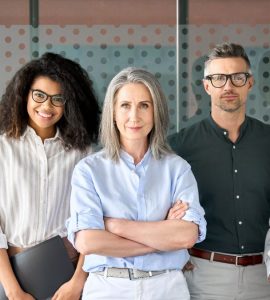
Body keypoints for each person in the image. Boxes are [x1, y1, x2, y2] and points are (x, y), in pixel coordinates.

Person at [66, 67, 206, 300]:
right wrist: (161, 237)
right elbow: (88, 241)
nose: (134, 116)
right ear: (112, 112)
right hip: (108, 288)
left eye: (144, 105)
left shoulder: (177, 169)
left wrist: (115, 226)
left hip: (166, 287)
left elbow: (186, 237)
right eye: (125, 105)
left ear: (156, 112)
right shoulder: (88, 170)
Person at [169, 42, 270, 300]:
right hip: (204, 275)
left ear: (250, 83)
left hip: (264, 276)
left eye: (237, 78)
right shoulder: (179, 146)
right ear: (206, 86)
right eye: (218, 78)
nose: (228, 86)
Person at [0, 52, 100, 299]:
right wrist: (13, 291)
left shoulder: (82, 151)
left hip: (66, 273)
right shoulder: (3, 147)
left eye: (58, 99)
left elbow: (93, 219)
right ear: (24, 93)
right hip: (9, 274)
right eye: (39, 95)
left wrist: (77, 282)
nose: (47, 106)